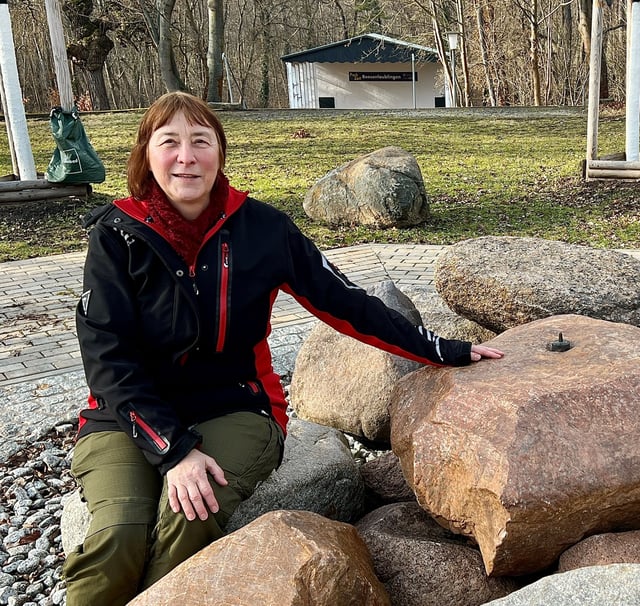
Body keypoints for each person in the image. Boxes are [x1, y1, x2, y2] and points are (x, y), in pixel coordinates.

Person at [64, 91, 503, 606]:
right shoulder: (118, 236)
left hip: (234, 408)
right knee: (116, 537)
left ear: (219, 154)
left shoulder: (263, 229)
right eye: (170, 142)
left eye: (201, 141)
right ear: (147, 154)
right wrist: (174, 450)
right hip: (125, 416)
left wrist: (444, 349)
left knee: (189, 516)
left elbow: (346, 304)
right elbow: (106, 356)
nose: (187, 157)